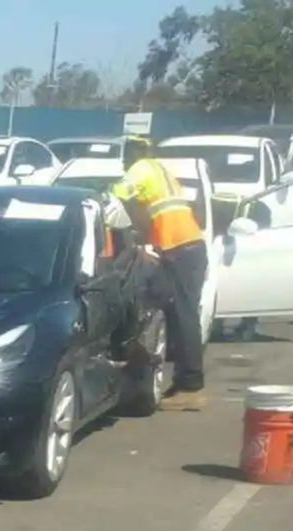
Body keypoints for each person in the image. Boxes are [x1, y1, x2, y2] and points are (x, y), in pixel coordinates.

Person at [111, 137, 209, 411]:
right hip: (183, 249)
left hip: (180, 250)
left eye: (125, 157)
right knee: (165, 308)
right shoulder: (159, 171)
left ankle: (191, 387)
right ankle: (180, 382)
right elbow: (142, 214)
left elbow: (114, 198)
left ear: (134, 155)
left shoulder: (140, 169)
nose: (123, 163)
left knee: (184, 315)